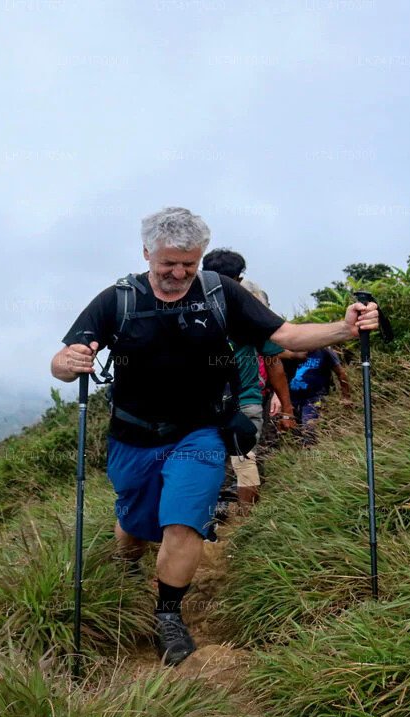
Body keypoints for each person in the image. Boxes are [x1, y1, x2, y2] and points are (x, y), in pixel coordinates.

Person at [51, 207, 378, 666]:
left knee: (184, 523)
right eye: (168, 263)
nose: (179, 273)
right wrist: (69, 364)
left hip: (200, 432)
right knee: (135, 524)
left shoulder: (220, 293)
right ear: (147, 253)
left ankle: (168, 613)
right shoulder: (118, 300)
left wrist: (345, 327)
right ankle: (127, 564)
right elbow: (65, 359)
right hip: (133, 437)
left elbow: (287, 335)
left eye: (189, 262)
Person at [200, 247, 293, 516]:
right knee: (244, 459)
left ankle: (203, 522)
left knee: (204, 459)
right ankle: (245, 522)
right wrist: (287, 409)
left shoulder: (191, 310)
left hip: (204, 405)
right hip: (245, 400)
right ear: (239, 279)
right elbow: (275, 364)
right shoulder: (250, 315)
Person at [284, 346, 352, 445]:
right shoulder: (291, 349)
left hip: (314, 397)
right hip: (292, 397)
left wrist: (346, 397)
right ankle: (300, 454)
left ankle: (310, 451)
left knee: (309, 428)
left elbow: (340, 373)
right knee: (294, 431)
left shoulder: (324, 351)